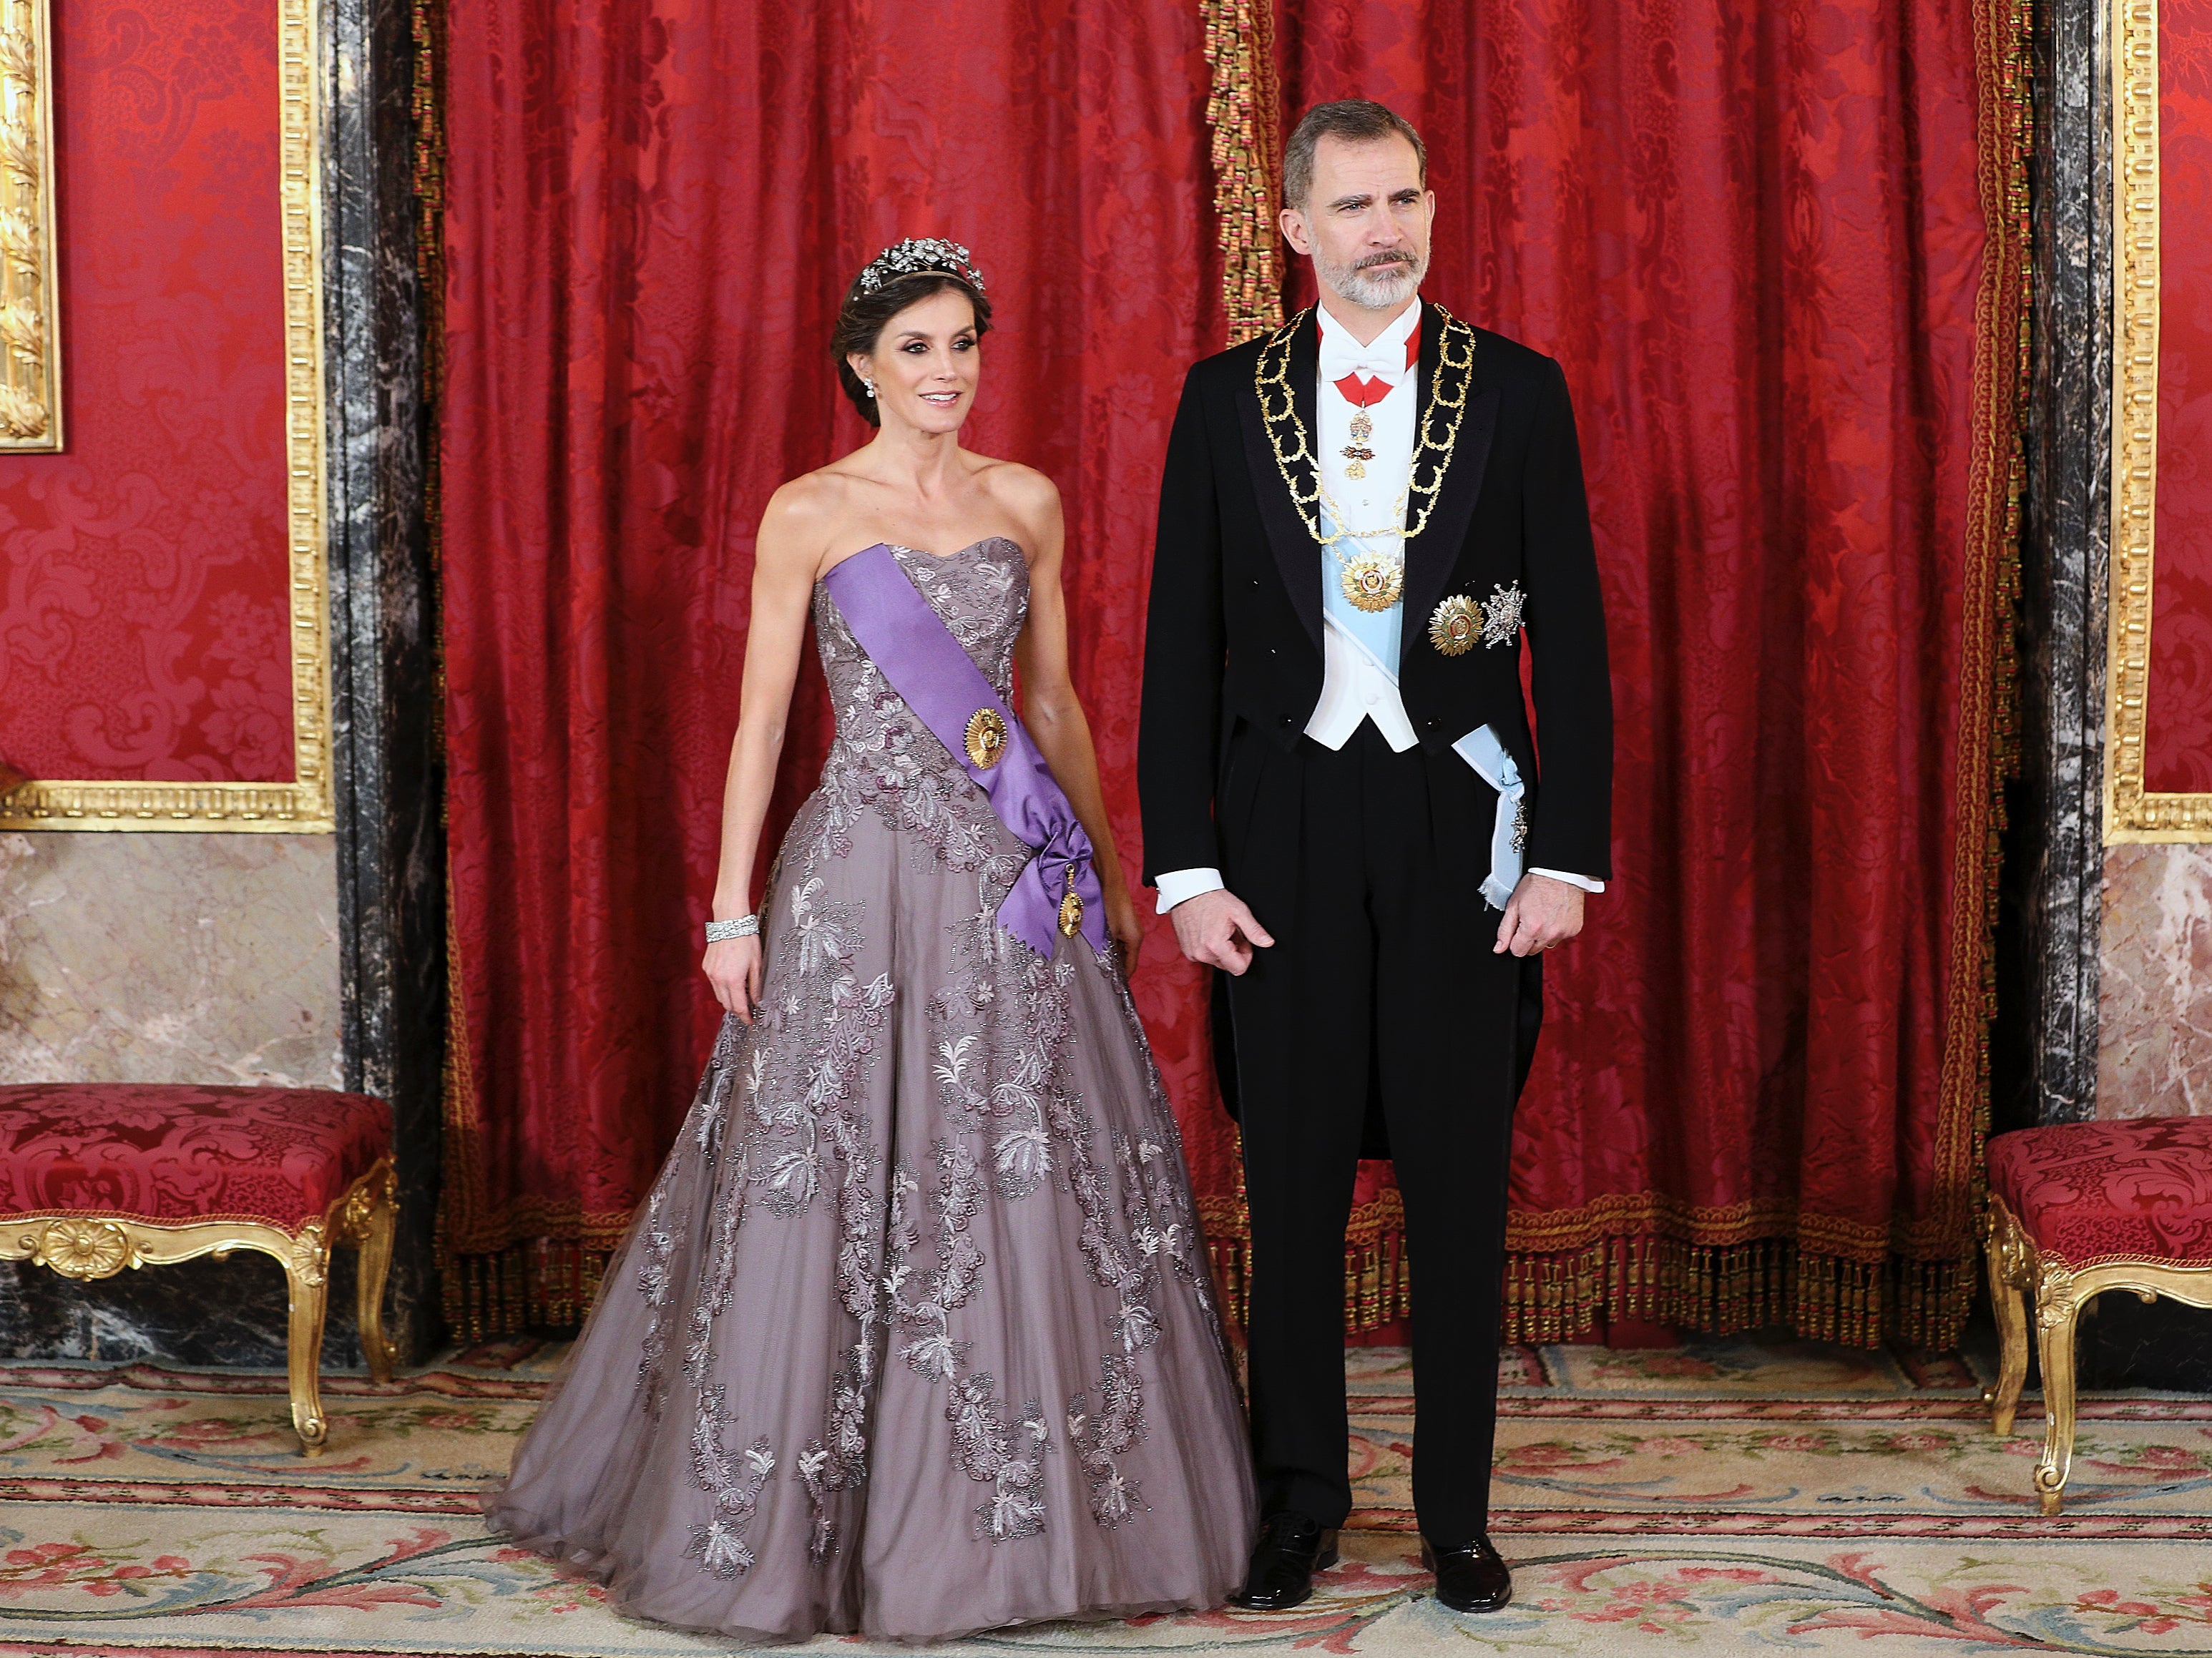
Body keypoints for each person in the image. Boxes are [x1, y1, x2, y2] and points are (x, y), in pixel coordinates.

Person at [487, 238, 1256, 1642]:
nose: (945, 370)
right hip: (856, 882)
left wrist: (1103, 865)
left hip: (1010, 888)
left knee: (1020, 1182)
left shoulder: (1027, 499)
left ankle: (1021, 1522)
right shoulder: (809, 512)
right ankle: (818, 1530)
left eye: (963, 343)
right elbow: (762, 723)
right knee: (827, 1183)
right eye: (916, 347)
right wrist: (730, 909)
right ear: (862, 366)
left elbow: (1059, 706)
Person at [1139, 101, 1613, 1615]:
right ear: (1294, 228)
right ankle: (1300, 1506)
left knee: (1460, 1185)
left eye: (1405, 196)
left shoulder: (1519, 394)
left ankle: (1457, 1514)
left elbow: (1582, 653)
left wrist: (1569, 860)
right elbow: (1176, 657)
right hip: (1278, 826)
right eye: (1352, 206)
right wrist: (1183, 872)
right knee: (1288, 1189)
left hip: (1458, 826)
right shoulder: (1221, 404)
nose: (1385, 231)